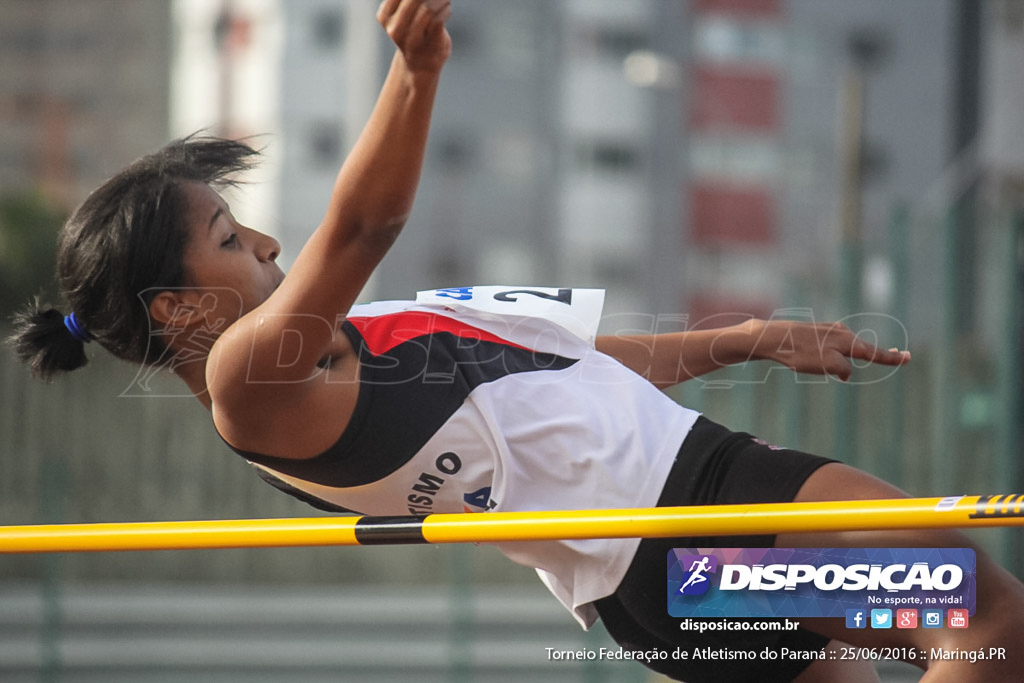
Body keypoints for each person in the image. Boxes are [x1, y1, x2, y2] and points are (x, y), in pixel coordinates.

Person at [9, 2, 1024, 681]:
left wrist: (743, 339)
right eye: (231, 238)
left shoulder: (358, 339)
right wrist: (417, 68)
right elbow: (361, 226)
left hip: (674, 579)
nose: (268, 240)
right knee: (981, 620)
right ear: (179, 312)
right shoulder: (246, 381)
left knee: (943, 637)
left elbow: (575, 364)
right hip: (698, 514)